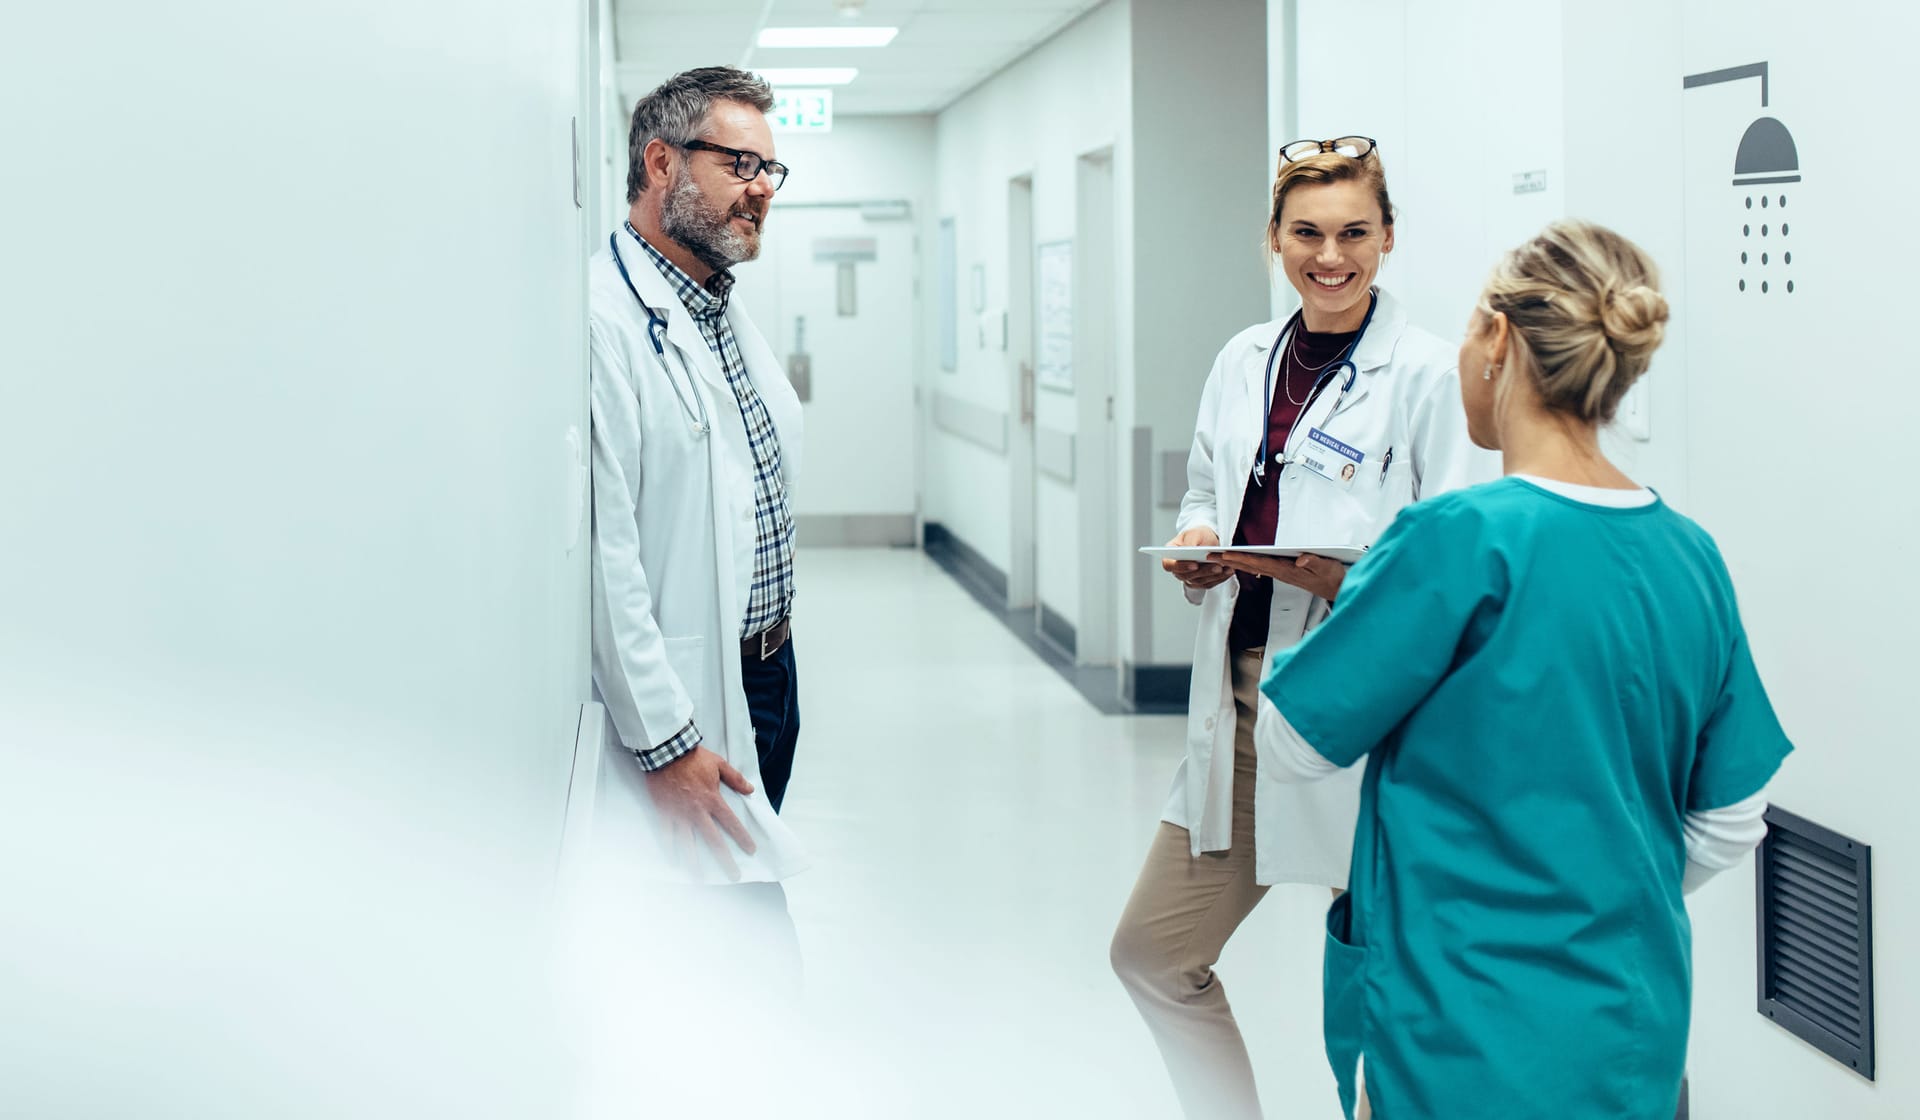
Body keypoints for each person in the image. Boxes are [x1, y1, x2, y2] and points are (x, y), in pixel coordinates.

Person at [1257, 220, 1793, 1119]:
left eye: (1471, 328)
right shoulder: (1688, 554)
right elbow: (1734, 820)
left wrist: (1362, 610)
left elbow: (1294, 743)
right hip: (1629, 1026)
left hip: (1456, 1025)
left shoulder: (1456, 540)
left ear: (1497, 341)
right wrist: (1599, 889)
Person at [1109, 136, 1496, 1119]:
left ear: (1389, 237)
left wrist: (1347, 581)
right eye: (1308, 233)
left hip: (1370, 711)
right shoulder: (1244, 358)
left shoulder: (1427, 374)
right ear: (1273, 238)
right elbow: (1209, 483)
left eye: (1355, 232)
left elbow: (1459, 558)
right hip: (1243, 700)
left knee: (1380, 972)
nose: (1332, 256)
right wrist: (1202, 537)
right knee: (1154, 952)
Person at [586, 65, 806, 899]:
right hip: (692, 687)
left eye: (769, 170)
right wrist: (667, 741)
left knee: (745, 899)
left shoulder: (715, 306)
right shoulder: (606, 321)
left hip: (770, 674)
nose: (761, 191)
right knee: (729, 940)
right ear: (660, 164)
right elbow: (610, 564)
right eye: (738, 165)